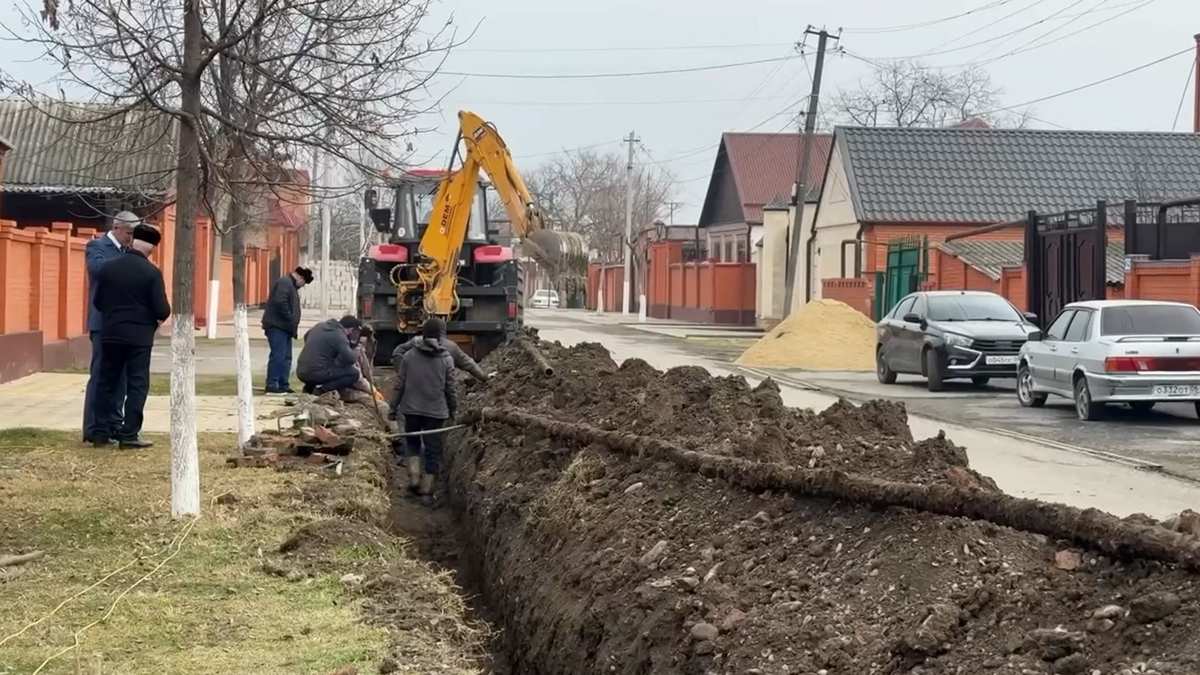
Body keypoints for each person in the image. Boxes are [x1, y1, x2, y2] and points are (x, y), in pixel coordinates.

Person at [91, 224, 170, 449]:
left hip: (111, 334)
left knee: (106, 382)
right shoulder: (151, 272)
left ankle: (100, 433)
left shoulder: (108, 268)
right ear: (152, 248)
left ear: (132, 240)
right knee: (137, 384)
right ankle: (129, 434)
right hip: (139, 338)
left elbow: (98, 302)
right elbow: (162, 310)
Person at [82, 211, 137, 443]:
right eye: (129, 233)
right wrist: (128, 262)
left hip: (123, 324)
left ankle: (115, 423)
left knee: (121, 377)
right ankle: (95, 427)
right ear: (117, 227)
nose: (131, 238)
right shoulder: (97, 247)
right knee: (101, 375)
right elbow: (98, 271)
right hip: (103, 323)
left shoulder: (126, 252)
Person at [391, 317, 457, 503]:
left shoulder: (409, 356)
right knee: (432, 450)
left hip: (411, 409)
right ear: (441, 336)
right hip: (436, 413)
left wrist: (393, 407)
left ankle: (413, 479)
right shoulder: (446, 359)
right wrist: (453, 410)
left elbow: (399, 385)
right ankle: (427, 492)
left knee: (412, 443)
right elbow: (450, 389)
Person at [261, 266, 313, 394]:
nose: (302, 285)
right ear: (300, 277)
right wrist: (290, 318)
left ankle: (283, 384)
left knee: (286, 357)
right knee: (278, 356)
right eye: (304, 283)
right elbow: (280, 302)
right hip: (277, 326)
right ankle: (272, 384)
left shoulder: (290, 285)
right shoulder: (285, 283)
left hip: (285, 328)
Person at [391, 326, 490, 383]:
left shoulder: (415, 342)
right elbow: (469, 364)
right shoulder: (451, 347)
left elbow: (397, 352)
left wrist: (403, 375)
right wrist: (484, 377)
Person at [296, 315, 363, 395]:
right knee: (354, 373)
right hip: (316, 373)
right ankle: (321, 391)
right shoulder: (339, 335)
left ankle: (308, 389)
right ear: (351, 330)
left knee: (320, 364)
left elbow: (306, 337)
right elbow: (350, 359)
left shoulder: (319, 326)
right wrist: (356, 352)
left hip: (301, 371)